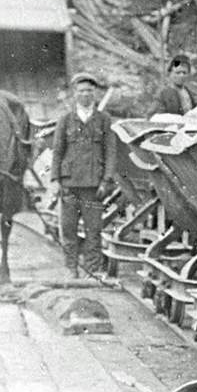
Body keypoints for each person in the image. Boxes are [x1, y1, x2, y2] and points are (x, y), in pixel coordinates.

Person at [51, 72, 116, 277]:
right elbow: (57, 151)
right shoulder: (65, 120)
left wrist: (106, 181)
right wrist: (56, 180)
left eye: (89, 90)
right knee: (68, 230)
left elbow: (111, 152)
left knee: (93, 230)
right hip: (69, 184)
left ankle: (92, 270)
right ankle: (71, 268)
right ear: (74, 94)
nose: (85, 94)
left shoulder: (104, 120)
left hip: (94, 186)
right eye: (81, 91)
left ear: (95, 94)